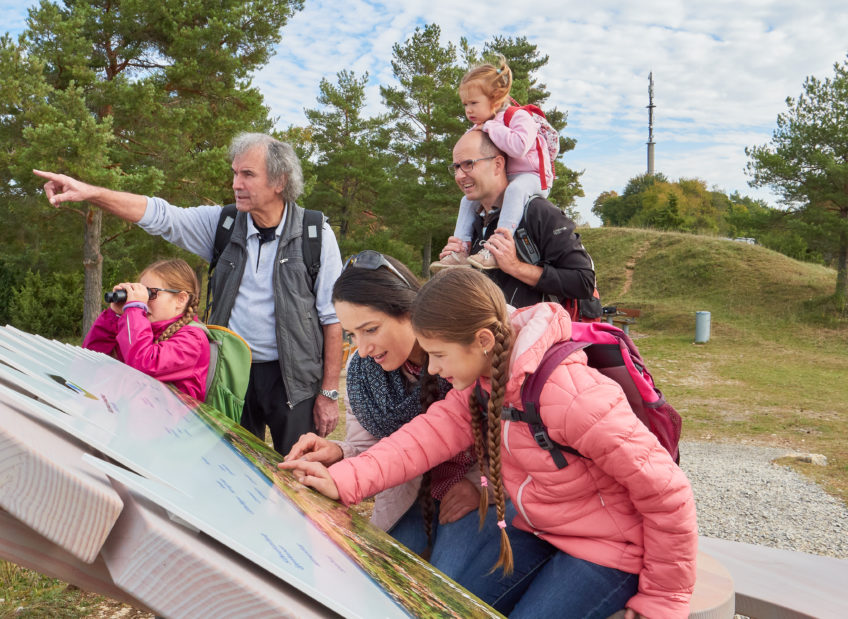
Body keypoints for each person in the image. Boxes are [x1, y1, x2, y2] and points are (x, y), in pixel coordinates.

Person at [281, 268, 697, 618]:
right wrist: (344, 479)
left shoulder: (571, 396)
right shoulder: (483, 382)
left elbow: (667, 491)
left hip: (608, 548)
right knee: (445, 603)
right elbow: (422, 439)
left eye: (440, 356)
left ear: (482, 340)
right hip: (540, 527)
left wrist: (663, 599)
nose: (438, 371)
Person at [35, 132, 343, 456]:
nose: (236, 183)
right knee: (232, 471)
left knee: (298, 475)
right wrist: (90, 193)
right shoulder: (223, 224)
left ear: (280, 181)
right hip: (231, 376)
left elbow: (331, 318)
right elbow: (161, 216)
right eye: (234, 173)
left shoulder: (315, 235)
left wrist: (329, 393)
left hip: (294, 380)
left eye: (248, 174)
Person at [284, 251, 511, 607]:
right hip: (409, 497)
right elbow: (374, 446)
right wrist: (340, 452)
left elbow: (514, 448)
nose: (362, 348)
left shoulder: (466, 360)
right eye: (352, 334)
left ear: (410, 312)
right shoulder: (363, 373)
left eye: (371, 329)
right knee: (377, 582)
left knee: (446, 590)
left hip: (479, 495)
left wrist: (477, 485)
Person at [438, 129, 596, 311]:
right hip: (486, 336)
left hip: (534, 336)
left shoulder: (539, 212)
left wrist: (515, 266)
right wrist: (460, 269)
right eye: (456, 167)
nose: (459, 176)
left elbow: (583, 282)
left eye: (468, 164)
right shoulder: (472, 222)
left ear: (498, 164)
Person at [432, 55, 552, 273]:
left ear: (495, 99)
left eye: (474, 103)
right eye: (465, 104)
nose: (468, 110)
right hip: (508, 176)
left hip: (533, 177)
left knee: (515, 190)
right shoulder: (483, 125)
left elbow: (518, 147)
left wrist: (489, 128)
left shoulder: (519, 117)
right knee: (467, 200)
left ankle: (497, 247)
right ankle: (459, 248)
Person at [83, 259, 210, 401]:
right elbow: (89, 360)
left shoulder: (193, 340)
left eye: (151, 294)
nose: (143, 300)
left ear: (181, 299)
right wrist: (115, 316)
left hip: (170, 422)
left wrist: (134, 309)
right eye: (142, 293)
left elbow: (144, 365)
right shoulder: (140, 328)